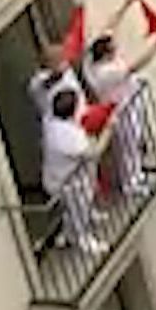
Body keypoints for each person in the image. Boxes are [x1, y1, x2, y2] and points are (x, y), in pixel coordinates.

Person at [82, 22, 156, 197]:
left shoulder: (89, 63)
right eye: (113, 50)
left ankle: (138, 175)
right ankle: (131, 183)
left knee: (133, 145)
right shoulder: (106, 72)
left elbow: (110, 28)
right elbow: (136, 66)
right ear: (105, 55)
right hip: (122, 111)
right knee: (129, 148)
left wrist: (125, 7)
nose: (116, 52)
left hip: (126, 105)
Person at [38, 83, 107, 256]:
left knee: (71, 209)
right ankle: (84, 241)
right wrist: (109, 129)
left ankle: (68, 233)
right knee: (78, 212)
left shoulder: (50, 122)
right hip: (70, 183)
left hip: (54, 176)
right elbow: (94, 152)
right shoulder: (71, 138)